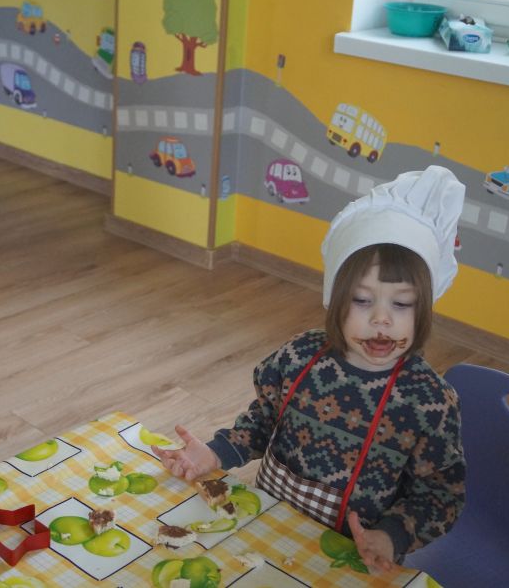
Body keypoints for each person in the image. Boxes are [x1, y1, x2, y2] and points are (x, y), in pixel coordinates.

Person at [155, 166, 467, 572]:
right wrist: (216, 452)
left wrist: (393, 535)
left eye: (402, 304)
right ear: (334, 298)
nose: (382, 319)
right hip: (267, 529)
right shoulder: (299, 356)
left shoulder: (429, 402)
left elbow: (440, 495)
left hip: (351, 556)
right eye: (362, 300)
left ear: (424, 308)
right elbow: (263, 421)